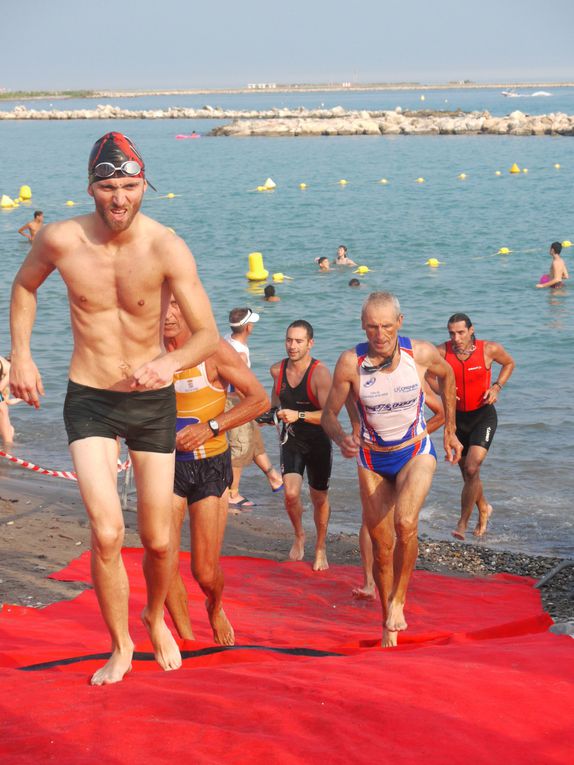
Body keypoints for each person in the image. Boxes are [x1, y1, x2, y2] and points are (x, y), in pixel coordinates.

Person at [9, 131, 219, 685]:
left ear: (144, 185)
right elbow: (25, 285)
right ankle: (121, 643)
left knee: (156, 540)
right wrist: (23, 354)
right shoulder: (61, 239)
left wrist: (168, 366)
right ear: (91, 188)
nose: (119, 197)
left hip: (151, 402)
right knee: (106, 533)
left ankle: (154, 616)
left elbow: (207, 335)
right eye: (108, 187)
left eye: (129, 185)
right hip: (90, 399)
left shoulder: (166, 246)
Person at [321, 292, 462, 646]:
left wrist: (450, 429)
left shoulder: (421, 354)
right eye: (371, 327)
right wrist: (342, 439)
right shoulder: (350, 363)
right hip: (372, 460)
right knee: (382, 549)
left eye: (386, 326)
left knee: (406, 522)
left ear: (400, 323)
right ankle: (387, 620)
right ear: (362, 326)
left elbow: (449, 379)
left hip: (415, 451)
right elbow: (328, 415)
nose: (379, 334)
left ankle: (400, 600)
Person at [163, 297, 269, 644]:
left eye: (176, 304)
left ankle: (215, 605)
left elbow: (259, 400)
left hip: (209, 465)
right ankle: (188, 641)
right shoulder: (145, 349)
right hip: (164, 466)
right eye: (160, 304)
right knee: (162, 557)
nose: (168, 314)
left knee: (204, 571)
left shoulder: (212, 350)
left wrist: (210, 427)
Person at [351, 376, 445, 600]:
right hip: (375, 457)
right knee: (370, 522)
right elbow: (352, 412)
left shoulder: (412, 380)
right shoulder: (362, 379)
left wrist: (415, 439)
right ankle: (368, 583)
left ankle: (397, 590)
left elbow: (441, 413)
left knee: (403, 523)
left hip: (408, 458)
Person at [437, 313, 515, 540]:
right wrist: (443, 393)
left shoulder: (489, 349)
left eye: (461, 332)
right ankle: (484, 508)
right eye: (452, 333)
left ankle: (462, 523)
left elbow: (509, 363)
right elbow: (427, 373)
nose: (456, 338)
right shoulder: (442, 352)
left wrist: (497, 387)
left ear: (471, 330)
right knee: (468, 473)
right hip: (457, 420)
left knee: (472, 468)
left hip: (483, 417)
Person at [270, 320, 333, 570]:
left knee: (319, 498)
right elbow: (274, 405)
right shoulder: (277, 371)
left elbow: (329, 415)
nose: (292, 346)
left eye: (298, 341)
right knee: (291, 494)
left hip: (318, 442)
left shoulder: (320, 373)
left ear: (310, 343)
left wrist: (300, 415)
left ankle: (320, 547)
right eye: (289, 340)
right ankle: (299, 535)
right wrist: (271, 416)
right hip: (292, 440)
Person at [225, 307, 283, 509]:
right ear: (248, 327)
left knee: (255, 440)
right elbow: (238, 384)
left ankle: (274, 477)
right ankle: (232, 493)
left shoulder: (228, 341)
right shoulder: (239, 353)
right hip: (235, 402)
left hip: (235, 400)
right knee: (240, 446)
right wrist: (255, 406)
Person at [0, 355, 22, 446]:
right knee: (8, 439)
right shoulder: (10, 369)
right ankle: (8, 453)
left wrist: (21, 398)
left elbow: (7, 401)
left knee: (11, 429)